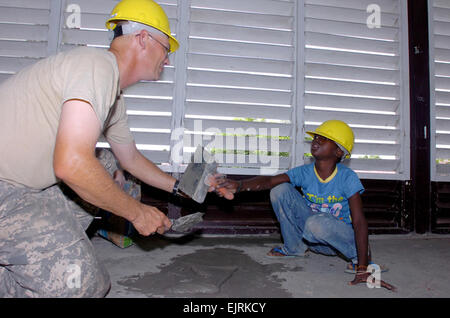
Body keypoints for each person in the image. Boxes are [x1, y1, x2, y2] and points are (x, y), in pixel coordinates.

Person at [0, 0, 211, 297]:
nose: (167, 59)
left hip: (22, 188)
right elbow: (71, 164)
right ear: (142, 39)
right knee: (82, 283)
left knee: (109, 163)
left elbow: (131, 159)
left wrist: (182, 188)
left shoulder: (111, 92)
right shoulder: (95, 66)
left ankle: (51, 246)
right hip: (6, 191)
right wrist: (137, 213)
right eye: (167, 48)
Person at [212, 120, 397, 291]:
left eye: (324, 139)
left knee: (317, 222)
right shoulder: (305, 172)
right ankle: (294, 248)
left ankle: (357, 259)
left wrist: (364, 263)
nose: (316, 140)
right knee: (279, 189)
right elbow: (270, 180)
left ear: (338, 152)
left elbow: (359, 221)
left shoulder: (347, 177)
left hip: (338, 241)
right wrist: (240, 185)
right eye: (316, 137)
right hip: (311, 237)